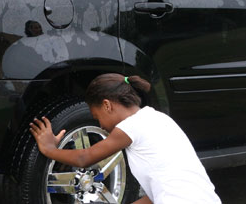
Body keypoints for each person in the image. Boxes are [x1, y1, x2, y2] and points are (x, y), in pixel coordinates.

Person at [30, 74, 221, 204]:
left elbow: (84, 158)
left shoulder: (130, 128)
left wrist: (50, 149)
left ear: (107, 105)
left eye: (97, 117)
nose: (102, 126)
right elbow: (158, 195)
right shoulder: (159, 119)